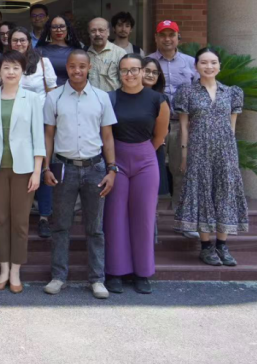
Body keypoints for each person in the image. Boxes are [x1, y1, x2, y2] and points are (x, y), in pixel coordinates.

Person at [42, 49, 118, 300]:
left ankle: (97, 279)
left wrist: (112, 169)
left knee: (95, 228)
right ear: (67, 67)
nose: (77, 71)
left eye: (82, 66)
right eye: (73, 66)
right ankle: (58, 276)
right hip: (64, 167)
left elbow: (107, 136)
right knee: (60, 225)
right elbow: (49, 135)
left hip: (95, 167)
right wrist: (45, 167)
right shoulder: (54, 97)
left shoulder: (101, 98)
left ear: (89, 68)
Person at [174, 48, 249, 267]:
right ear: (196, 66)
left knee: (224, 193)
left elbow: (232, 127)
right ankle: (206, 247)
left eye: (213, 62)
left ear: (219, 66)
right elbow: (185, 127)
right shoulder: (187, 92)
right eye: (204, 63)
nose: (209, 66)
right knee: (202, 194)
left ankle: (222, 245)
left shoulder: (232, 92)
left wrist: (232, 155)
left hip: (225, 151)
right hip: (198, 150)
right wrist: (185, 155)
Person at [103, 54, 170, 295]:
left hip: (145, 159)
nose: (129, 75)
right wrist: (114, 162)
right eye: (124, 70)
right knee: (114, 216)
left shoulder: (157, 100)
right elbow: (106, 134)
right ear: (118, 73)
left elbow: (160, 136)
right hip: (116, 159)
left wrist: (142, 154)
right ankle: (115, 272)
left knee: (143, 216)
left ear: (143, 72)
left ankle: (142, 272)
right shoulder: (110, 99)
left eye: (134, 70)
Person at [0, 50, 46, 294]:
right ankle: (4, 269)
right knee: (0, 220)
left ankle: (16, 271)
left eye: (15, 68)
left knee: (20, 222)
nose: (10, 72)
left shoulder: (32, 99)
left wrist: (37, 171)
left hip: (24, 169)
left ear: (22, 71)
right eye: (6, 67)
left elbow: (38, 137)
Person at [9, 26, 57, 237]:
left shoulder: (43, 63)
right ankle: (19, 215)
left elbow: (52, 92)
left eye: (22, 40)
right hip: (14, 124)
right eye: (14, 40)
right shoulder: (6, 62)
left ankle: (44, 216)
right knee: (18, 170)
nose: (18, 44)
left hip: (41, 123)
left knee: (44, 167)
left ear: (29, 42)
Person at [148, 20, 198, 215]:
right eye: (163, 35)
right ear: (156, 38)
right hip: (152, 125)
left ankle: (182, 216)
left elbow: (199, 90)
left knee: (180, 170)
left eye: (171, 35)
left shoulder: (191, 62)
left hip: (180, 125)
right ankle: (151, 217)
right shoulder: (148, 61)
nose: (167, 39)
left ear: (178, 37)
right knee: (151, 171)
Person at [141, 58, 170, 196]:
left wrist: (148, 151)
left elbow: (164, 130)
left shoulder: (161, 99)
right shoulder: (124, 95)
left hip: (152, 150)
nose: (150, 75)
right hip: (127, 150)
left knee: (150, 194)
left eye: (154, 72)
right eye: (147, 71)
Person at [37, 15, 83, 87]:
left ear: (67, 28)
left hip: (70, 93)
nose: (59, 30)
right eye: (54, 27)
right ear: (49, 30)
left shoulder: (76, 51)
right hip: (45, 93)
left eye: (62, 26)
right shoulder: (39, 51)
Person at [87, 17, 127, 92]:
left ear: (108, 32)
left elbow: (126, 81)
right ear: (89, 33)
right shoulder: (85, 55)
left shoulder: (120, 53)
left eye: (101, 30)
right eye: (93, 31)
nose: (97, 34)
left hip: (113, 101)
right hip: (90, 101)